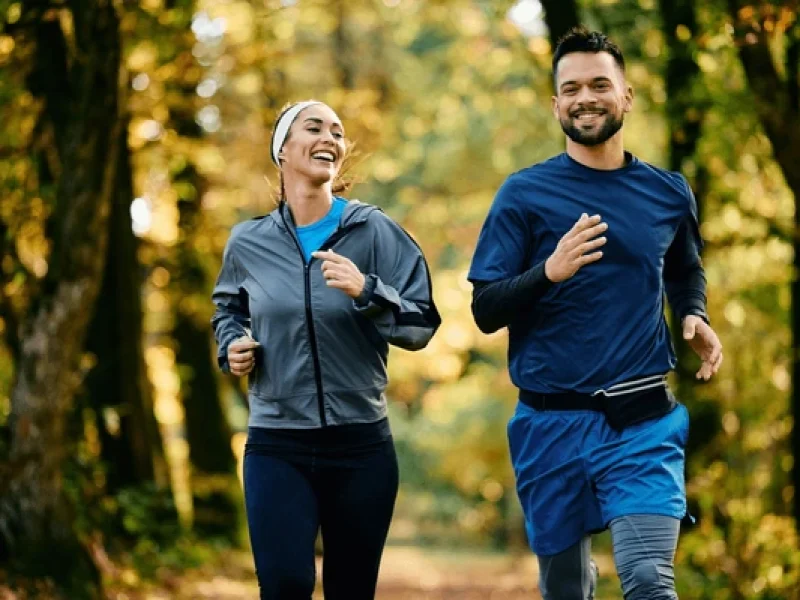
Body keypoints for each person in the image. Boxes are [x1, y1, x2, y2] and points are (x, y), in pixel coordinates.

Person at [468, 28, 723, 600]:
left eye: (600, 84)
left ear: (626, 95)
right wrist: (548, 272)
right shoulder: (523, 194)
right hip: (548, 423)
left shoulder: (667, 192)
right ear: (556, 103)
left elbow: (683, 268)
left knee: (648, 580)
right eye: (572, 88)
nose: (587, 97)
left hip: (641, 420)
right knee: (565, 590)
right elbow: (485, 309)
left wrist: (692, 315)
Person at [211, 100, 440, 600]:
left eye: (337, 132)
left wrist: (369, 291)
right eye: (314, 128)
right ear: (283, 152)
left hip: (361, 446)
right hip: (277, 443)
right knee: (287, 584)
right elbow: (227, 312)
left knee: (349, 591)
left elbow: (423, 323)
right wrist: (232, 346)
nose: (330, 139)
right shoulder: (247, 242)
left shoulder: (373, 230)